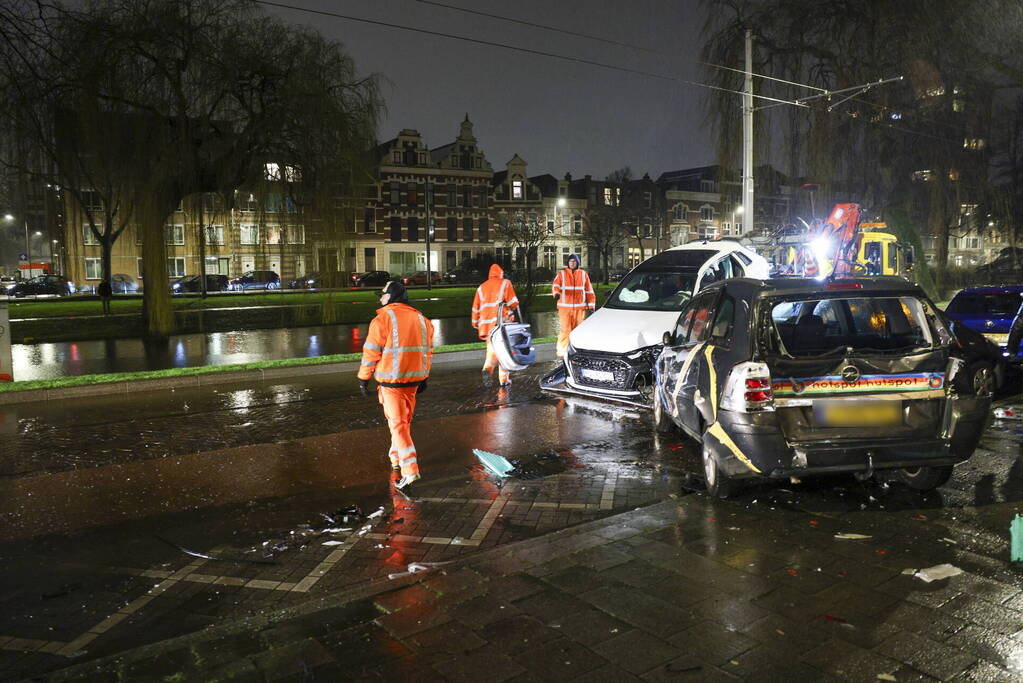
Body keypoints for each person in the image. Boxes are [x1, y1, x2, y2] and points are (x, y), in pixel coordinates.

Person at [358, 280, 434, 491]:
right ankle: (395, 459)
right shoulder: (422, 320)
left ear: (390, 296)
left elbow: (371, 353)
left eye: (381, 295)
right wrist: (424, 376)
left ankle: (410, 471)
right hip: (413, 382)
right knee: (402, 422)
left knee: (398, 425)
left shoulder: (382, 319)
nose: (380, 299)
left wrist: (363, 378)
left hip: (391, 384)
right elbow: (427, 352)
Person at [471, 263, 520, 387]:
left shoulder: (481, 287)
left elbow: (476, 308)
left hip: (487, 327)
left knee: (492, 351)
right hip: (501, 324)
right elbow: (513, 303)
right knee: (504, 352)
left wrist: (475, 323)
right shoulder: (505, 283)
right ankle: (504, 380)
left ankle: (487, 368)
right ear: (501, 273)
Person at [552, 253, 595, 358]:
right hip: (565, 308)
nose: (572, 263)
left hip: (579, 309)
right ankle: (562, 352)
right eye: (571, 261)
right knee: (565, 330)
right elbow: (555, 285)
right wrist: (556, 293)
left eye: (574, 261)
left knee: (578, 331)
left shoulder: (583, 274)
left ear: (578, 263)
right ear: (568, 263)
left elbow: (589, 291)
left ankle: (577, 351)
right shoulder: (562, 274)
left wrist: (591, 306)